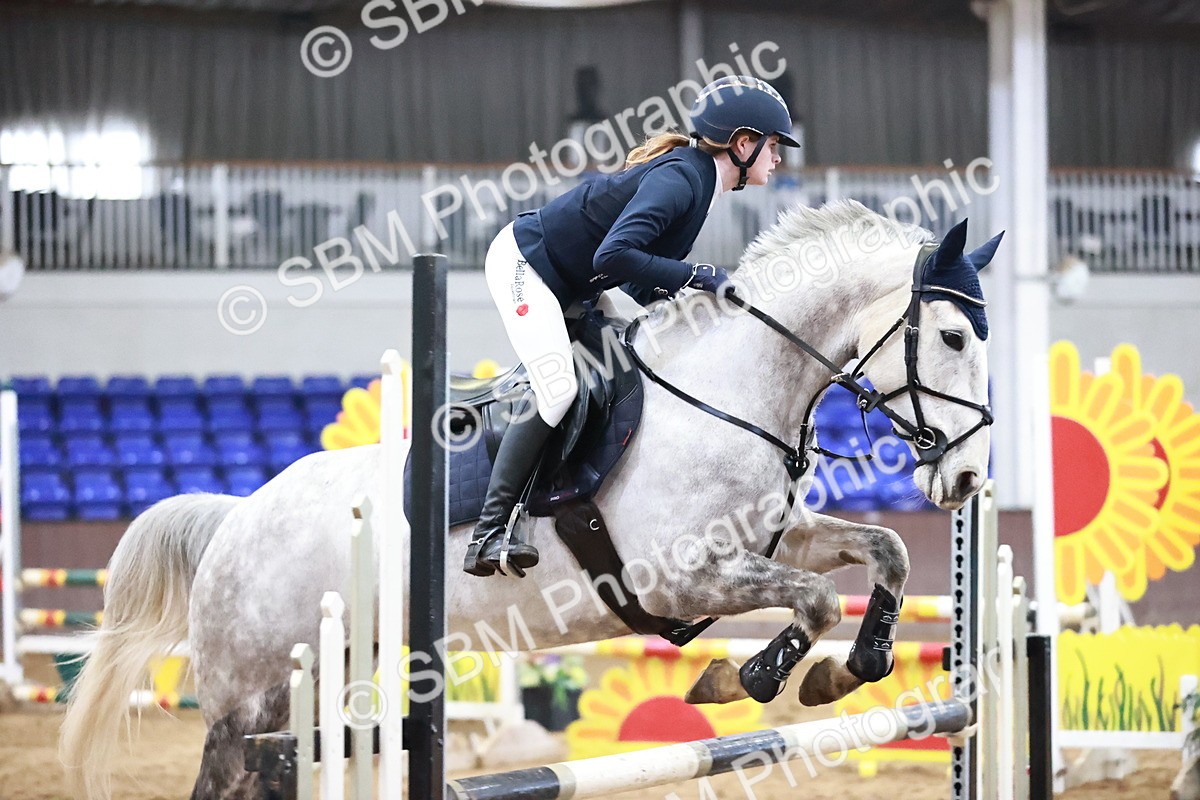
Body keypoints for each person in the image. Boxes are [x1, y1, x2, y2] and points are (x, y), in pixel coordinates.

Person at [464, 75, 801, 578]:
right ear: (742, 144)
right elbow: (614, 255)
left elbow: (635, 278)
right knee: (557, 388)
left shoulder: (700, 183)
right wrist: (696, 275)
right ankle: (489, 531)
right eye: (773, 146)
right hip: (528, 265)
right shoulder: (682, 179)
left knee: (637, 356)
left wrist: (691, 306)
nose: (777, 158)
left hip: (576, 282)